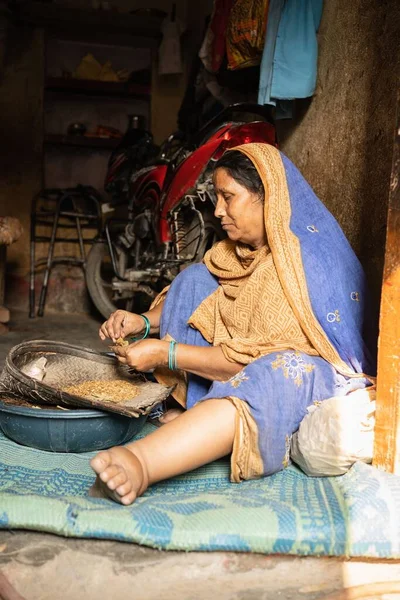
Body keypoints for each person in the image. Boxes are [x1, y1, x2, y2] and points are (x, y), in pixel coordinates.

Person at [90, 143, 376, 505]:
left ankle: (143, 463)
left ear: (266, 197)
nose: (218, 210)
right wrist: (144, 323)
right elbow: (208, 298)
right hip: (243, 358)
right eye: (217, 197)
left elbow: (243, 364)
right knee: (196, 278)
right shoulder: (241, 252)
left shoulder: (300, 266)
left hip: (308, 370)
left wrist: (167, 353)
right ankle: (194, 411)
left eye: (228, 197)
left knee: (272, 371)